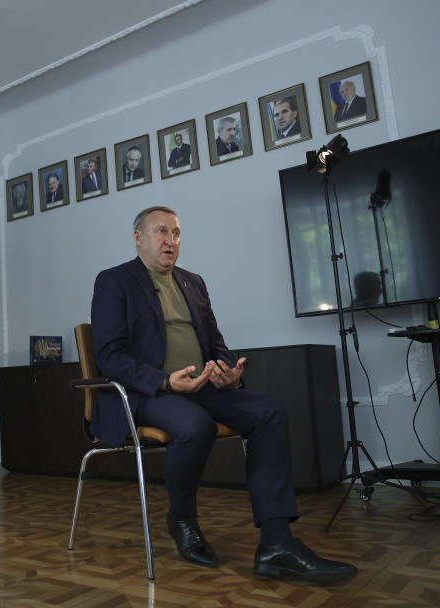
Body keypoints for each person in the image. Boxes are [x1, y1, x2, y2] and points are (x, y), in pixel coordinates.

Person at [90, 206, 359, 584]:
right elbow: (110, 357)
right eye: (161, 232)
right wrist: (167, 382)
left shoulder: (193, 282)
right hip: (146, 393)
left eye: (177, 233)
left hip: (200, 387)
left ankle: (277, 543)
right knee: (196, 427)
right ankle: (182, 519)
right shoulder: (114, 281)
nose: (171, 241)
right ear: (139, 238)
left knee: (270, 413)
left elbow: (215, 342)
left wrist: (227, 371)